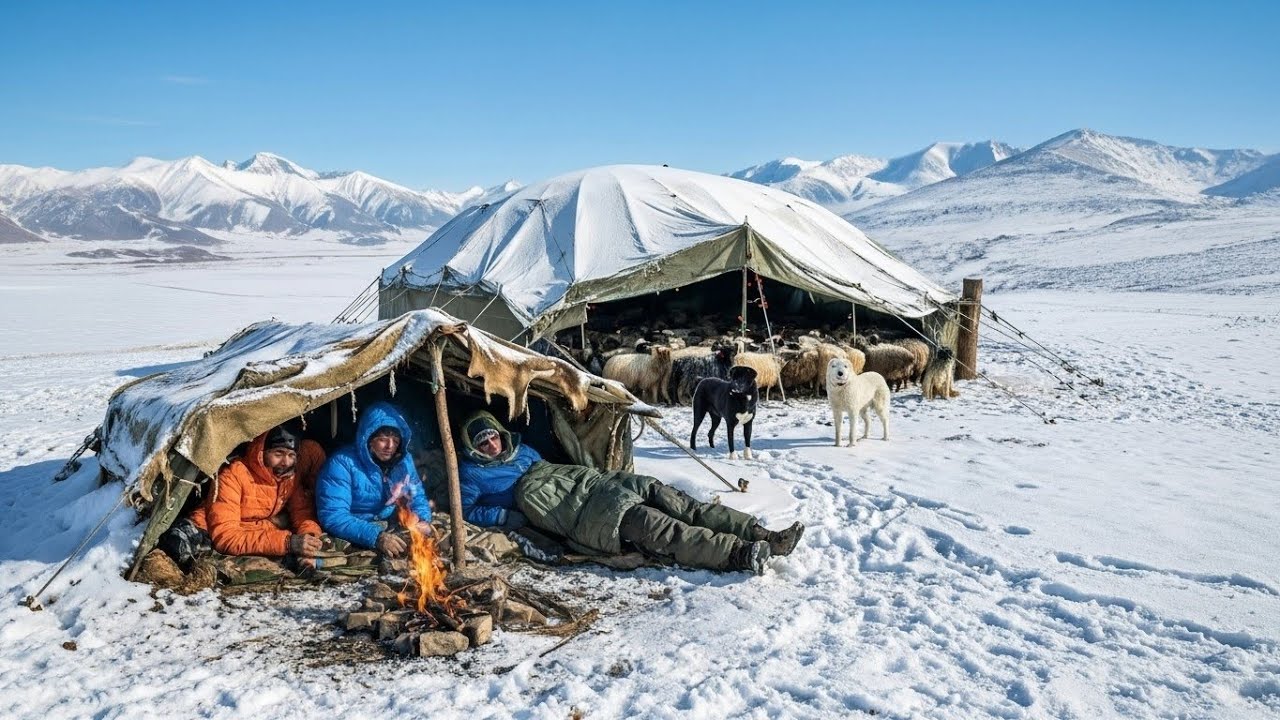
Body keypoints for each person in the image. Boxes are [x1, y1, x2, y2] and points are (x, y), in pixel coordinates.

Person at [457, 410, 804, 575]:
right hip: (574, 510)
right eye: (481, 442)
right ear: (472, 449)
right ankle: (740, 554)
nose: (490, 443)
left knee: (678, 502)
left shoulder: (525, 451)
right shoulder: (471, 474)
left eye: (492, 435)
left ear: (501, 433)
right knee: (659, 526)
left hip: (594, 484)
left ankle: (765, 536)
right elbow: (466, 510)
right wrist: (503, 515)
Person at [156, 423, 328, 583]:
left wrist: (310, 540)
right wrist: (287, 542)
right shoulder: (233, 475)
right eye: (278, 454)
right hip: (209, 528)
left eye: (291, 456)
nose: (286, 462)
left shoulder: (287, 477)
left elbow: (302, 513)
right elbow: (226, 537)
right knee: (177, 549)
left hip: (254, 526)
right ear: (262, 452)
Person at [315, 400, 432, 558]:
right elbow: (333, 516)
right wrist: (376, 536)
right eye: (383, 439)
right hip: (354, 528)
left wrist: (422, 519)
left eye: (395, 440)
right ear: (369, 439)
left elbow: (417, 495)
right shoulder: (342, 463)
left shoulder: (403, 461)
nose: (390, 446)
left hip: (387, 522)